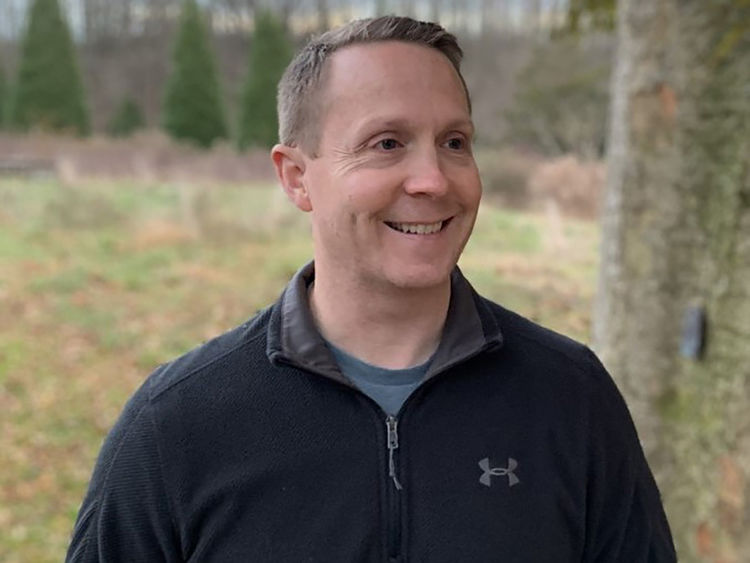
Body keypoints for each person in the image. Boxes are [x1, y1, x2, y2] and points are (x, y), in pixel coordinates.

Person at [66, 16, 676, 562]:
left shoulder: (570, 397)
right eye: (387, 144)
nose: (433, 179)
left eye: (454, 143)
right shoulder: (178, 424)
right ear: (297, 178)